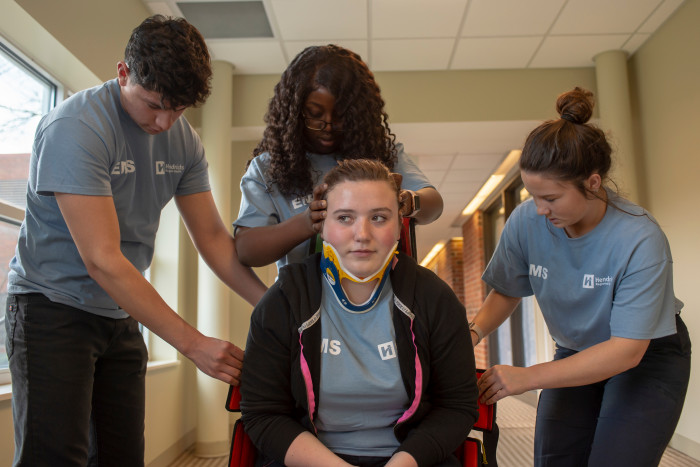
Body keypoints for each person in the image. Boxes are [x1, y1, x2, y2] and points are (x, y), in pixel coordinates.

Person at [5, 15, 267, 466]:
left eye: (179, 109)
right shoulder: (77, 128)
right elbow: (104, 260)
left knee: (123, 455)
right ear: (123, 73)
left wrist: (272, 304)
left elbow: (214, 240)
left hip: (118, 312)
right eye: (154, 104)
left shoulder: (181, 141)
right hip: (51, 308)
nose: (164, 122)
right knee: (56, 456)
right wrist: (193, 343)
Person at [470, 88, 691, 466]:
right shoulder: (525, 220)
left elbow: (626, 350)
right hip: (575, 350)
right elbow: (506, 291)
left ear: (592, 183)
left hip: (648, 354)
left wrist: (527, 377)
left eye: (551, 198)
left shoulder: (639, 238)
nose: (540, 210)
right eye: (533, 195)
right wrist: (471, 334)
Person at [240, 159, 478, 467]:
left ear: (399, 227)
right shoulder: (284, 299)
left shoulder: (435, 299)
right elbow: (263, 414)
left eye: (379, 217)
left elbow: (457, 407)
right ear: (322, 228)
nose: (362, 233)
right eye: (345, 218)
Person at [234, 44, 443, 271]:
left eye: (341, 115)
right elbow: (246, 250)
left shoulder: (380, 153)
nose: (328, 126)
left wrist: (409, 201)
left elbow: (434, 204)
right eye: (315, 115)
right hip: (306, 303)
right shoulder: (267, 169)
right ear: (294, 112)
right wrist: (306, 223)